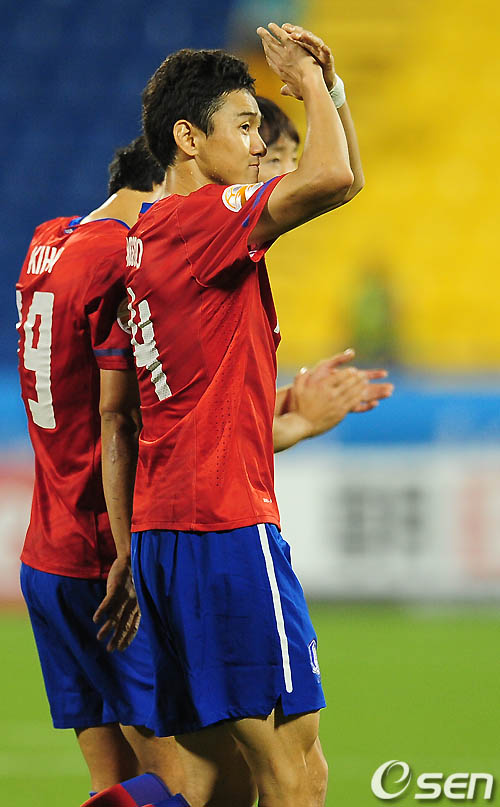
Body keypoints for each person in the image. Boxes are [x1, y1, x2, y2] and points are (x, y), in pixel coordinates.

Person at [114, 22, 371, 807]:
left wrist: (331, 91)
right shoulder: (201, 219)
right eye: (246, 125)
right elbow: (331, 177)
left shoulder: (149, 235)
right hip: (224, 528)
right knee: (297, 771)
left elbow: (344, 180)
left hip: (168, 531)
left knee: (215, 777)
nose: (260, 145)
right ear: (188, 139)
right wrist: (311, 83)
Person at [16, 137, 184, 804]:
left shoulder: (48, 240)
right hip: (101, 555)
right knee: (183, 783)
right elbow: (124, 416)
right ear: (163, 181)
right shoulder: (122, 255)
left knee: (111, 781)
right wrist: (129, 554)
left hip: (46, 550)